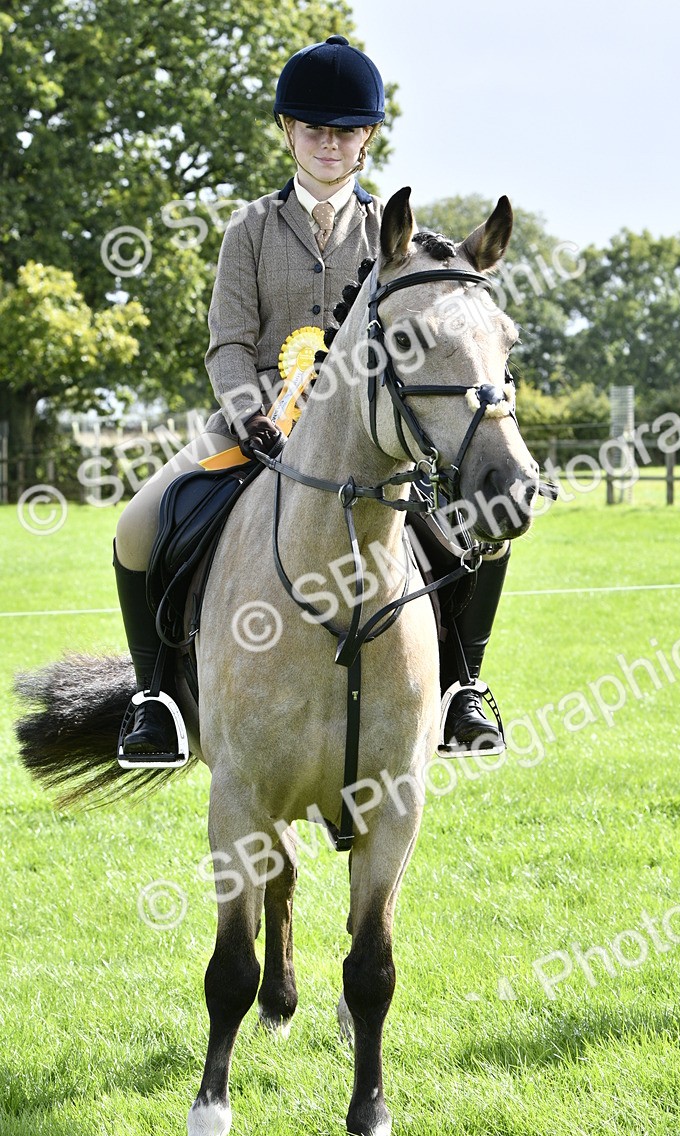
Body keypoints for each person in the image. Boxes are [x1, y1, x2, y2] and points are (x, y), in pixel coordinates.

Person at [112, 34, 510, 763]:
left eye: (346, 130)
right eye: (315, 129)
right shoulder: (250, 229)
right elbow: (228, 342)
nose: (329, 143)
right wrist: (247, 412)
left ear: (367, 140)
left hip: (368, 432)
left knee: (475, 525)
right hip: (255, 419)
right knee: (138, 527)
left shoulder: (398, 237)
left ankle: (463, 688)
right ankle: (157, 698)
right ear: (288, 131)